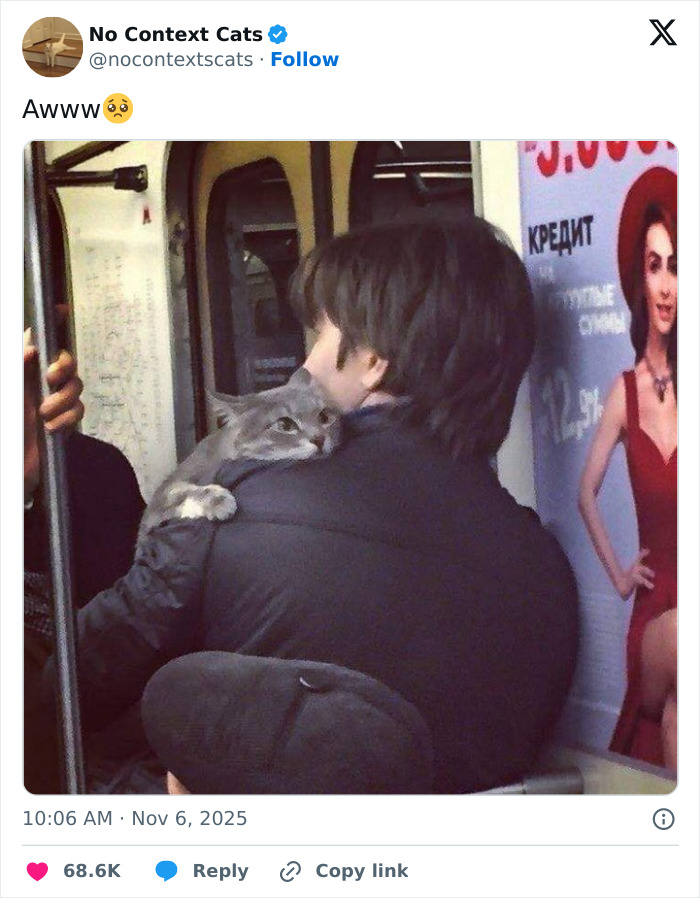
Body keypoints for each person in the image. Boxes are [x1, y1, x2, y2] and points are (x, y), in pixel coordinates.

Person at [55, 217, 578, 793]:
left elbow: (59, 694)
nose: (305, 365)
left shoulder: (228, 512)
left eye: (320, 337)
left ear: (372, 358)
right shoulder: (547, 574)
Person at [578, 168, 677, 770]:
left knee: (678, 720)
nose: (666, 284)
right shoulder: (623, 392)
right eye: (654, 265)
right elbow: (586, 492)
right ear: (639, 279)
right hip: (655, 622)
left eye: (678, 265)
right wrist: (619, 576)